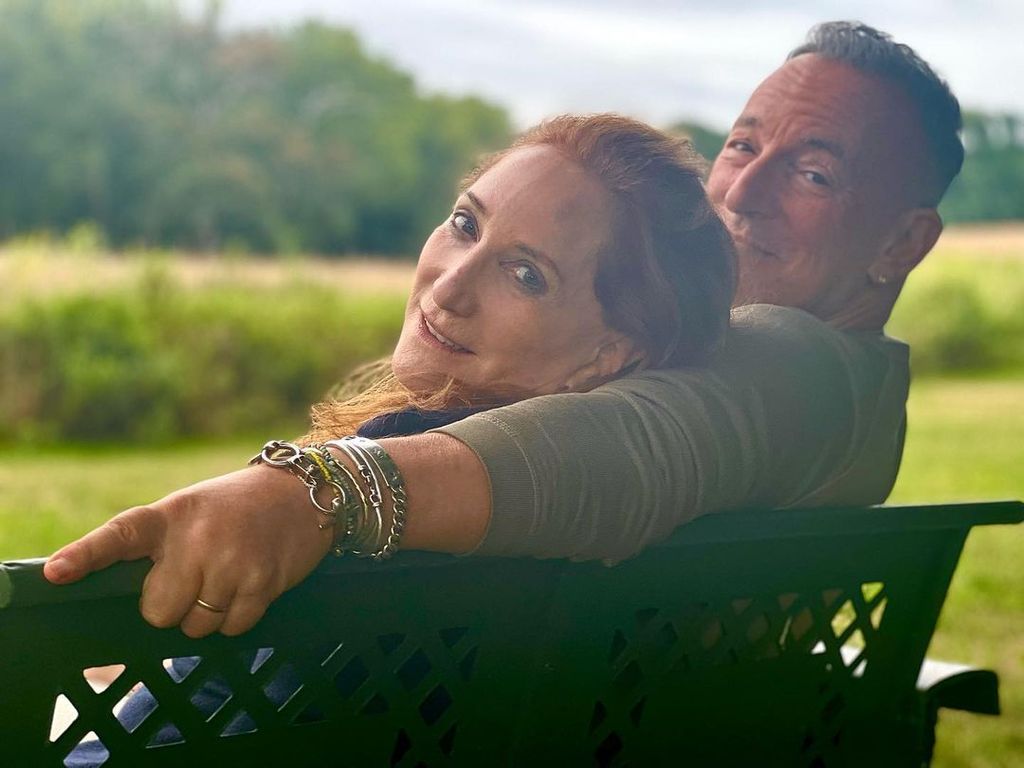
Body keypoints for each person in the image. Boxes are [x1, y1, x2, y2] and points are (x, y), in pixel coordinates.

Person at [45, 22, 963, 644]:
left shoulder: (802, 369)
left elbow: (631, 449)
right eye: (740, 144)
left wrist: (324, 485)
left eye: (812, 173)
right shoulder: (851, 404)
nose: (741, 194)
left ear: (901, 241)